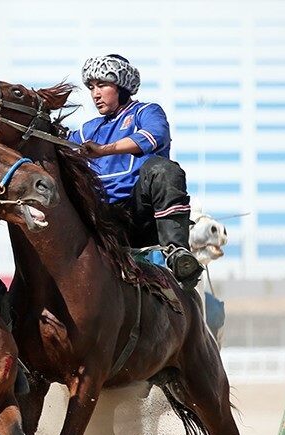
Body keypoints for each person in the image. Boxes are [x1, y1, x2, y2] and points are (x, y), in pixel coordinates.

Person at [69, 54, 203, 288]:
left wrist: (103, 150)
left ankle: (177, 253)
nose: (95, 94)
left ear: (121, 87)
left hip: (141, 214)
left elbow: (155, 136)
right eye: (91, 87)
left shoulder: (146, 112)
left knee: (162, 169)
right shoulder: (88, 129)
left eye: (102, 85)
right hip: (103, 218)